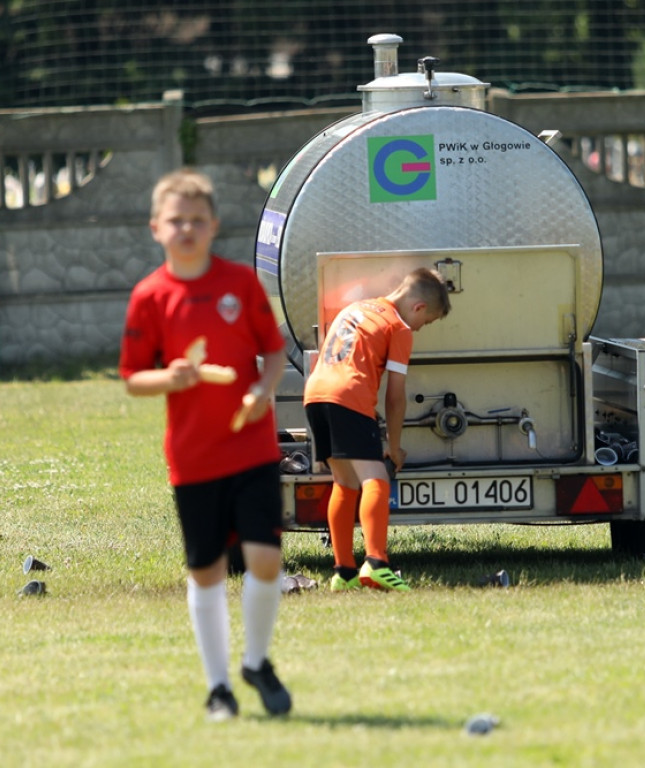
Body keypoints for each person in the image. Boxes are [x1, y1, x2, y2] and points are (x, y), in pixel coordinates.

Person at [119, 168, 292, 720]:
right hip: (193, 459)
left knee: (266, 559)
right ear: (156, 228)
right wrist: (170, 377)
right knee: (207, 571)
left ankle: (257, 662)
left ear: (214, 225)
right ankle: (219, 687)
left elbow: (273, 352)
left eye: (197, 220)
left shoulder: (240, 284)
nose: (187, 229)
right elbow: (131, 377)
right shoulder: (149, 296)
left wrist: (264, 391)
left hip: (253, 450)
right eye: (176, 221)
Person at [304, 268, 451, 592]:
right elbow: (395, 396)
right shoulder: (398, 327)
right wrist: (394, 447)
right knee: (376, 479)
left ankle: (343, 572)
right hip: (349, 398)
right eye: (424, 323)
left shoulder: (355, 308)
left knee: (344, 482)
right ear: (418, 308)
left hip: (315, 395)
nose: (419, 328)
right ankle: (377, 563)